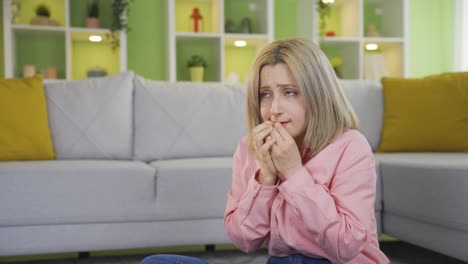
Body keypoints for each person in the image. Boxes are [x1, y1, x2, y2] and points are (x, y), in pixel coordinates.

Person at [140, 38, 389, 264]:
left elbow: (345, 246)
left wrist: (294, 173)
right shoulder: (250, 149)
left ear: (318, 95)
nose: (274, 109)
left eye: (289, 92)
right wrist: (265, 178)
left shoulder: (350, 147)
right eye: (265, 94)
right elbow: (244, 239)